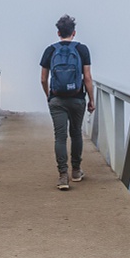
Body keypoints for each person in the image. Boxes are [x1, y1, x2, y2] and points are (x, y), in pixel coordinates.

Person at [39, 15, 94, 191]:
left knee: (60, 136)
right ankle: (76, 171)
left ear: (58, 33)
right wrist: (91, 99)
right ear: (74, 32)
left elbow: (43, 79)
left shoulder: (49, 50)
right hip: (77, 98)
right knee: (76, 133)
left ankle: (63, 176)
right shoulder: (82, 50)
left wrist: (50, 97)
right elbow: (87, 77)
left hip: (57, 99)